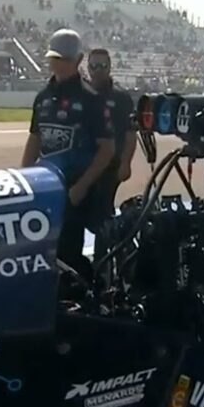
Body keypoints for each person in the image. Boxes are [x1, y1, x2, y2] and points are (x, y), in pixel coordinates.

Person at [21, 29, 115, 288]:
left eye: (63, 59)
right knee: (45, 249)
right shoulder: (43, 98)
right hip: (45, 187)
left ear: (78, 59)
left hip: (75, 190)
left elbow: (107, 149)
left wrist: (81, 187)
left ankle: (84, 296)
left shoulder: (91, 100)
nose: (57, 64)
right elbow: (35, 139)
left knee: (70, 252)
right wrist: (23, 180)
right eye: (54, 58)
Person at [85, 48, 137, 259]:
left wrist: (126, 163)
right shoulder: (81, 95)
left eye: (102, 66)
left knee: (103, 216)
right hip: (83, 167)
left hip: (110, 169)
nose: (98, 71)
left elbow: (130, 134)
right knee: (85, 217)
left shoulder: (122, 99)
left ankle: (103, 261)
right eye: (94, 66)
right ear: (87, 68)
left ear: (110, 68)